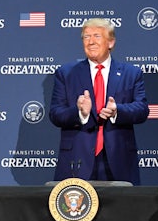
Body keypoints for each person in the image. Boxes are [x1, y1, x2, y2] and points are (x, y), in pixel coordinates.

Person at [49, 18, 148, 184]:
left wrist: (118, 111)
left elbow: (142, 109)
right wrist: (79, 112)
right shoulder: (66, 73)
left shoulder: (131, 73)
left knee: (120, 210)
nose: (91, 42)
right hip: (77, 160)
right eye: (86, 37)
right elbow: (55, 113)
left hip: (118, 159)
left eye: (96, 36)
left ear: (111, 42)